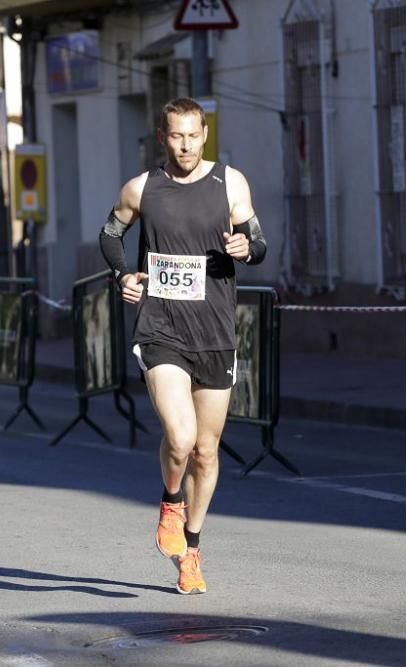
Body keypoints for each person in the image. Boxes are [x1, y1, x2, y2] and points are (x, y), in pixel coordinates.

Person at [99, 98, 266, 594]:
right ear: (162, 136)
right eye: (176, 136)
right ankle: (171, 500)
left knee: (208, 452)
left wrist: (246, 248)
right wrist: (124, 274)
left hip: (215, 333)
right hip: (161, 328)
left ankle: (191, 549)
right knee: (181, 436)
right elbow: (111, 234)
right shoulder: (142, 188)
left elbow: (258, 242)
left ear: (205, 133)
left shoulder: (230, 183)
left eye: (194, 135)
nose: (186, 145)